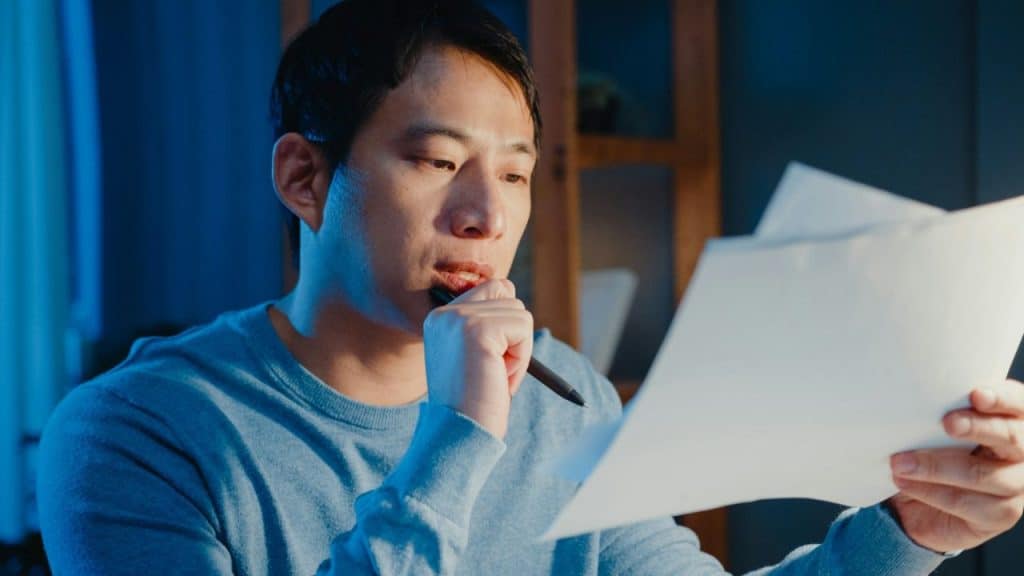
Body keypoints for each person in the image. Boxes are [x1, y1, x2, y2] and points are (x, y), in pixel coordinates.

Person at [37, 1, 1024, 574]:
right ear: (303, 178)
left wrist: (909, 533)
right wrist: (459, 437)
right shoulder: (132, 432)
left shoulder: (560, 392)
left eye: (514, 172)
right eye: (435, 162)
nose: (487, 214)